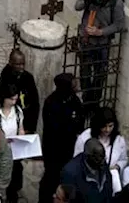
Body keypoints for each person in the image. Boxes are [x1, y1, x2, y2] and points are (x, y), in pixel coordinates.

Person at [74, 0, 126, 108]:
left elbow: (119, 25)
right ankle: (85, 101)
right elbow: (77, 6)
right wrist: (86, 0)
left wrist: (100, 32)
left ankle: (94, 104)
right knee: (84, 73)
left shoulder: (116, 3)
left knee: (99, 76)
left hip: (101, 45)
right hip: (86, 41)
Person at [38, 74, 84, 203]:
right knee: (51, 178)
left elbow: (80, 121)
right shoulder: (51, 102)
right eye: (73, 84)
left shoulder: (75, 101)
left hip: (69, 149)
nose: (76, 87)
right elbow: (54, 127)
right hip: (53, 149)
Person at [0, 83, 25, 203]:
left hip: (14, 153)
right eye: (11, 99)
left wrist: (21, 136)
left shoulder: (18, 111)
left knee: (13, 182)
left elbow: (21, 128)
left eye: (15, 98)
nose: (14, 102)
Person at [0, 50, 40, 135]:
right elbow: (0, 105)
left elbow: (35, 103)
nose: (21, 67)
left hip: (26, 121)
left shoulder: (28, 78)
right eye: (18, 64)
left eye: (23, 64)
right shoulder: (4, 81)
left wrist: (30, 127)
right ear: (11, 63)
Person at [72, 108, 127, 178]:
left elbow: (123, 159)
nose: (107, 130)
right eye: (104, 126)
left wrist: (117, 167)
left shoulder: (119, 140)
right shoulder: (85, 137)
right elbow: (77, 160)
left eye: (110, 126)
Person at [61, 139, 117, 203]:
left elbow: (108, 191)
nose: (102, 162)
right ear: (87, 157)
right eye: (97, 159)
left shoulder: (101, 162)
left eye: (103, 157)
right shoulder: (70, 173)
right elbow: (68, 200)